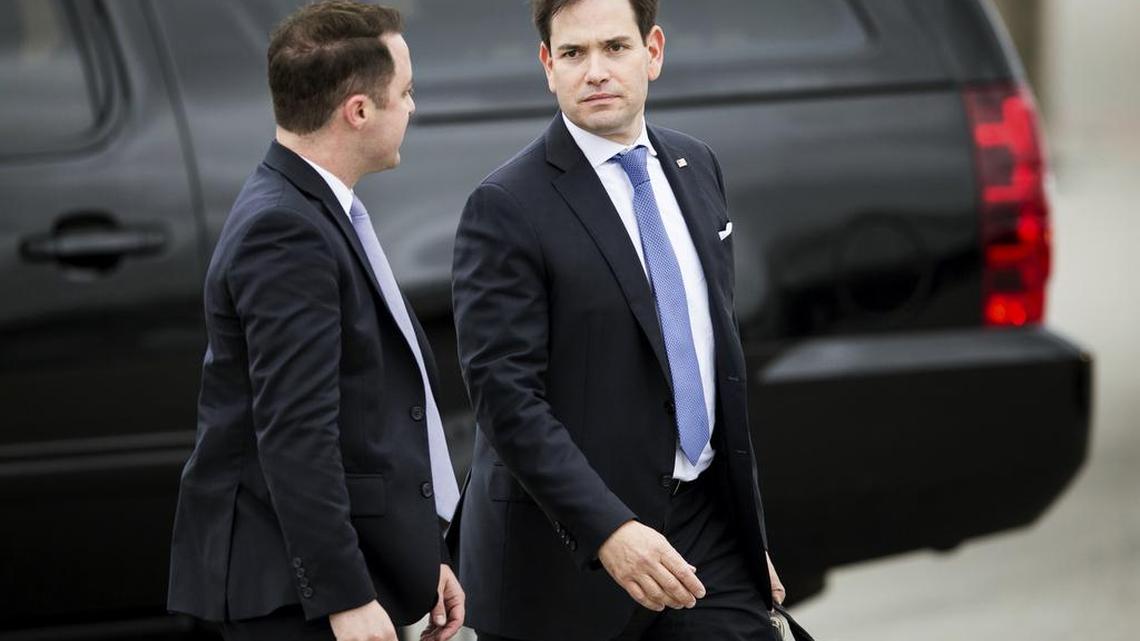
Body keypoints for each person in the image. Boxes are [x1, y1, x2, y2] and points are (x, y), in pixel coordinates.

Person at [450, 0, 786, 639]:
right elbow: (504, 398)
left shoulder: (697, 167)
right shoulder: (505, 206)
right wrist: (608, 528)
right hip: (561, 561)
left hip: (701, 535)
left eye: (615, 48)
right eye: (573, 54)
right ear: (548, 66)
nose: (595, 71)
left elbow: (713, 358)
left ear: (653, 51)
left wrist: (745, 535)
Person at [167, 3, 463, 640]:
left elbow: (366, 415)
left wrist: (423, 555)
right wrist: (345, 595)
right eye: (405, 93)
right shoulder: (285, 232)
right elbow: (296, 434)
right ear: (358, 111)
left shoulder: (316, 209)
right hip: (290, 599)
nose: (412, 107)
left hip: (337, 573)